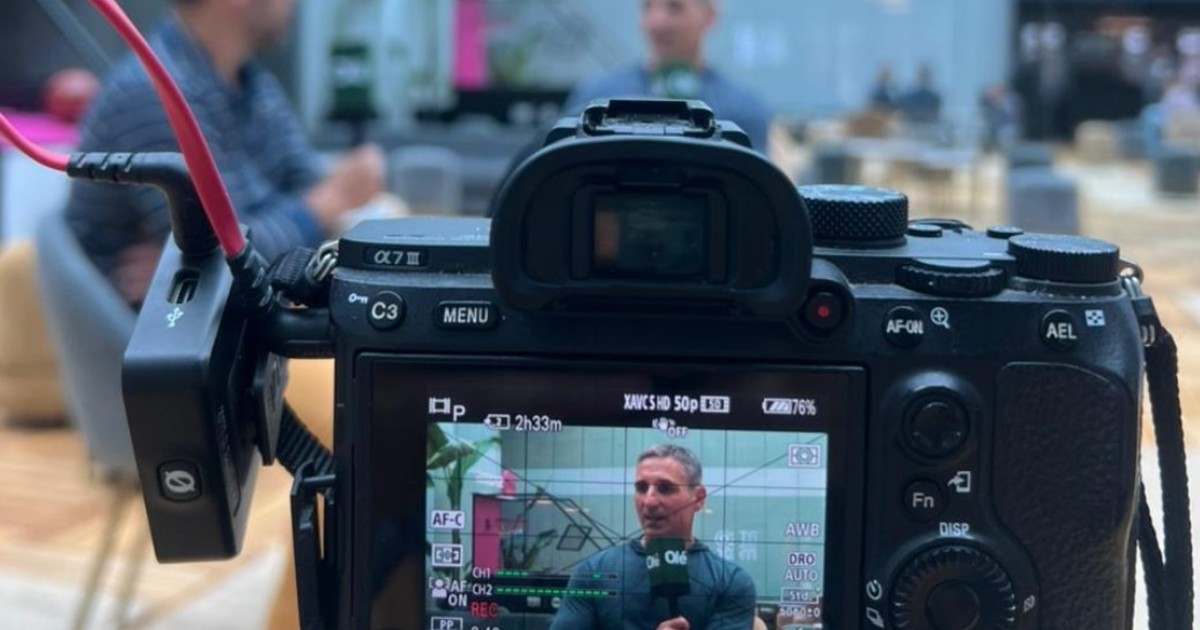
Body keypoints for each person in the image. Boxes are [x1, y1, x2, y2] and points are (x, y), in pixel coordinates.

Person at [64, 0, 384, 307]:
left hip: (235, 315)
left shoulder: (251, 82)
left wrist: (225, 252)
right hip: (168, 331)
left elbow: (301, 185)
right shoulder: (152, 94)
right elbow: (230, 260)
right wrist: (328, 202)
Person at [550, 444, 756, 630]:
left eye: (665, 488)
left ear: (698, 499)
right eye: (641, 488)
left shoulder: (731, 583)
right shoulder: (593, 572)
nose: (649, 501)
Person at [562, 0, 773, 154]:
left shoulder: (743, 111)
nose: (657, 23)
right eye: (647, 7)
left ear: (709, 16)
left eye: (675, 7)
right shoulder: (593, 99)